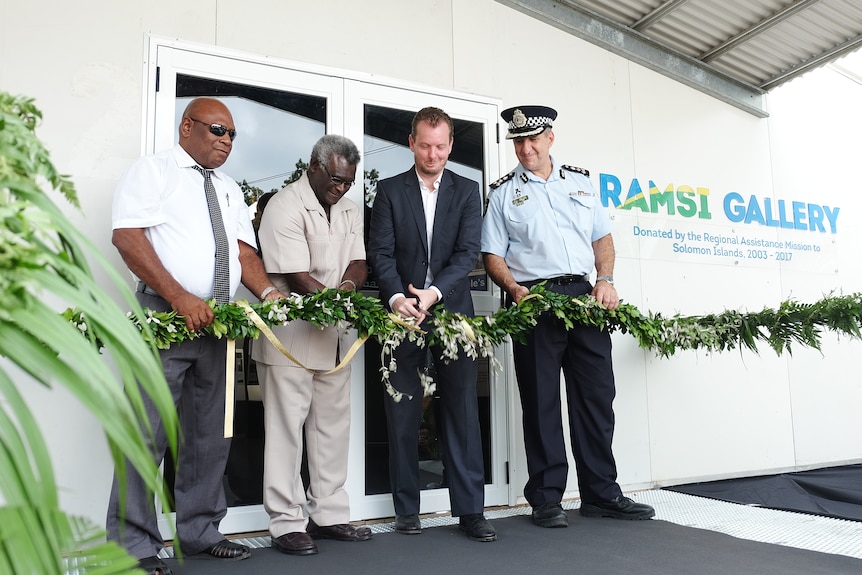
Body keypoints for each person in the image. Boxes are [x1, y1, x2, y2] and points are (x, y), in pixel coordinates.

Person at [109, 97, 285, 575]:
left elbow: (244, 251)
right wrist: (180, 296)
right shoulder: (154, 171)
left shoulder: (228, 188)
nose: (226, 141)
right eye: (217, 130)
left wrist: (268, 292)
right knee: (146, 432)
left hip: (220, 324)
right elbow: (128, 236)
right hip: (166, 318)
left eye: (231, 135)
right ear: (187, 126)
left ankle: (199, 530)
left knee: (211, 434)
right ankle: (131, 545)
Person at [481, 105, 655, 528]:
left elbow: (602, 238)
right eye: (518, 142)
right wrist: (514, 289)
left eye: (532, 140)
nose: (525, 148)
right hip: (533, 301)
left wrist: (606, 279)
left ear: (550, 139)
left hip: (584, 299)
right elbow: (492, 254)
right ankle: (545, 498)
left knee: (596, 398)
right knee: (541, 402)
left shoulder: (580, 183)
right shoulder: (504, 193)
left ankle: (601, 494)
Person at [368, 107, 496, 542]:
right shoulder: (387, 191)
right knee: (402, 410)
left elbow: (467, 254)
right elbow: (380, 254)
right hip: (402, 314)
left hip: (453, 312)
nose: (432, 153)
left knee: (461, 411)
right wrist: (399, 297)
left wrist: (433, 293)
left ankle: (471, 511)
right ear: (411, 142)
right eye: (425, 145)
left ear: (451, 146)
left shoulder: (467, 190)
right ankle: (407, 509)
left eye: (441, 146)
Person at [252, 134, 372, 556]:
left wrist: (346, 286)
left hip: (335, 336)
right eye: (336, 180)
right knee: (286, 433)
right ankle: (286, 522)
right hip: (291, 337)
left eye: (348, 182)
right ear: (315, 167)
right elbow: (298, 277)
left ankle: (330, 515)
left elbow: (358, 259)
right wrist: (336, 300)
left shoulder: (350, 207)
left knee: (332, 429)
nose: (341, 189)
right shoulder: (284, 205)